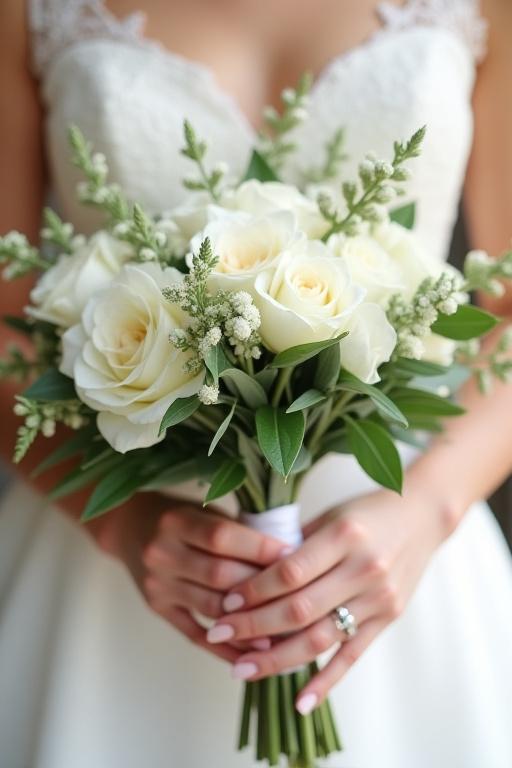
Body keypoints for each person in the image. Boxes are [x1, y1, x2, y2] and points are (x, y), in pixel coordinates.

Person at [1, 1, 512, 766]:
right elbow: (7, 327)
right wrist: (122, 528)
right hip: (120, 560)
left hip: (401, 550)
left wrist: (429, 510)